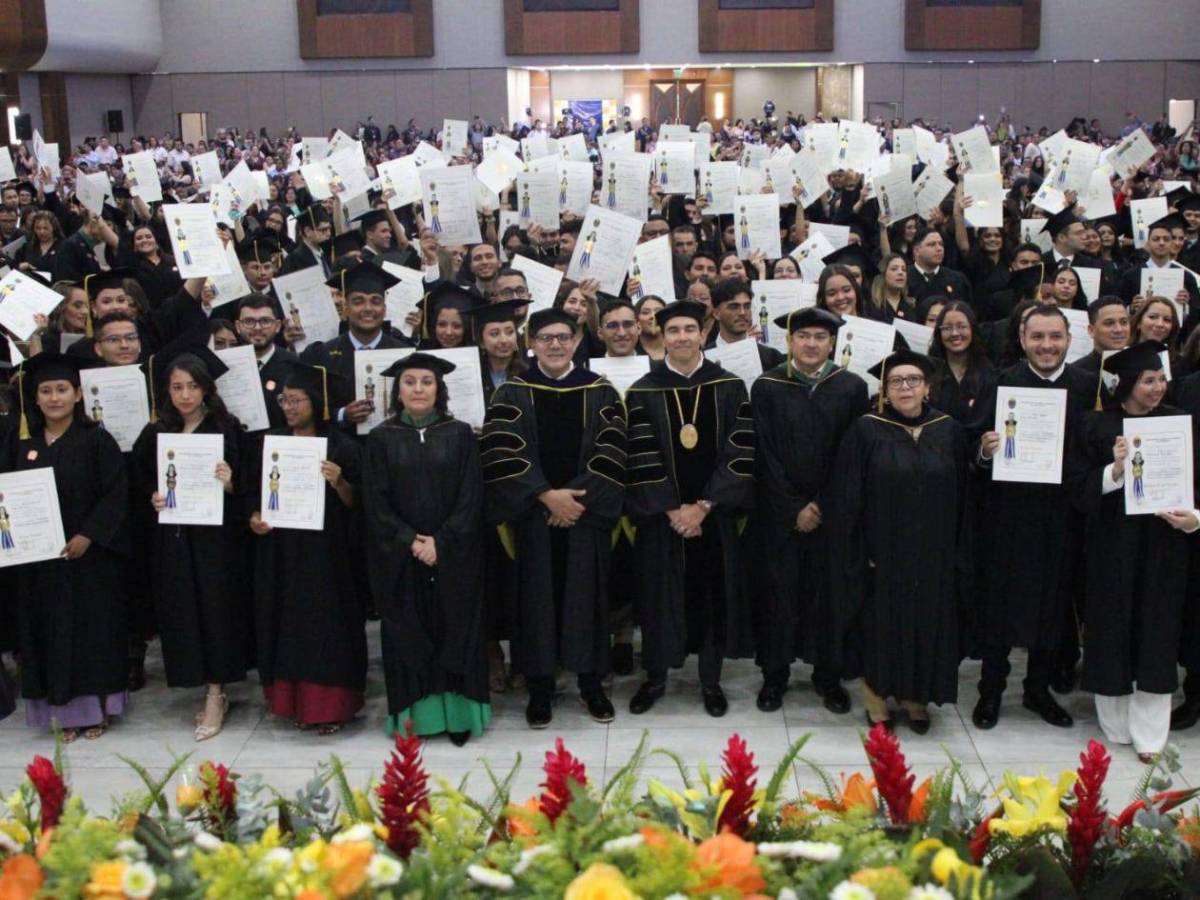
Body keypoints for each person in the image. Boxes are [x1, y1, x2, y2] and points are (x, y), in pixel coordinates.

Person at [481, 308, 626, 728]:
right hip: (533, 517)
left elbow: (612, 449)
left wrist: (572, 501)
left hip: (584, 514)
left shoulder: (600, 390)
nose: (556, 345)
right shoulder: (511, 393)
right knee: (536, 602)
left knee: (587, 599)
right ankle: (539, 688)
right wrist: (546, 495)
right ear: (532, 344)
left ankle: (591, 685)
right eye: (546, 338)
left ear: (577, 340)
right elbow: (503, 451)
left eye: (563, 337)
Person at [623, 300, 755, 717]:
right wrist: (671, 510)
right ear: (662, 337)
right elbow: (639, 456)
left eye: (688, 329)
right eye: (673, 330)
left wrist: (703, 506)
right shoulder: (642, 391)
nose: (681, 337)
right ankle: (656, 676)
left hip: (713, 517)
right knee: (659, 596)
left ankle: (710, 681)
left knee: (712, 595)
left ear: (703, 334)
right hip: (662, 520)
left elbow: (741, 450)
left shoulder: (730, 386)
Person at [1070, 341, 1200, 761]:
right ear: (1126, 383)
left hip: (1165, 544)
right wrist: (1115, 470)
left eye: (1161, 379)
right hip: (1113, 546)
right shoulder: (1097, 425)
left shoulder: (1178, 422)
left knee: (1156, 631)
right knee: (1113, 627)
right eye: (1148, 380)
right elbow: (1077, 488)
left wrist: (1195, 517)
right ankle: (1116, 723)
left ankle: (1150, 732)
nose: (1158, 387)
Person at [828, 349, 968, 732]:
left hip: (934, 553)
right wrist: (860, 550)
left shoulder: (948, 429)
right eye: (896, 381)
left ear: (927, 387)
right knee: (880, 626)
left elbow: (965, 493)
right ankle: (877, 703)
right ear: (884, 391)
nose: (905, 387)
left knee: (926, 623)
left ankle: (916, 698)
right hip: (883, 552)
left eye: (913, 380)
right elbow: (847, 498)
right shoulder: (866, 430)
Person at [971, 304, 1094, 731]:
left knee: (1053, 608)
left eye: (1055, 337)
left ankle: (1037, 691)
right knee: (999, 608)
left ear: (1068, 340)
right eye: (1037, 337)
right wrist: (985, 451)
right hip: (1010, 518)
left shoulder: (1087, 387)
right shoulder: (1002, 383)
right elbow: (974, 447)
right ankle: (991, 691)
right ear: (1022, 340)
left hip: (1064, 518)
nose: (1046, 345)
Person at [2, 353, 129, 741]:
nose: (54, 398)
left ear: (77, 394)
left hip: (87, 558)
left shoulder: (96, 440)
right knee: (47, 633)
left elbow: (115, 495)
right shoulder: (22, 443)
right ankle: (59, 714)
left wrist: (88, 535)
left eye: (61, 390)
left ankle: (96, 710)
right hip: (39, 560)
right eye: (45, 391)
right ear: (35, 399)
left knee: (91, 633)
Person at [363, 353, 489, 745]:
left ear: (440, 389)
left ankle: (460, 716)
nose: (418, 388)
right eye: (410, 382)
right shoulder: (381, 439)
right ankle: (415, 720)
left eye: (426, 382)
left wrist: (442, 541)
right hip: (401, 558)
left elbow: (471, 496)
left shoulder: (461, 434)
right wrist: (410, 541)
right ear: (397, 390)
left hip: (455, 555)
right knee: (409, 634)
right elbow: (374, 503)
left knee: (456, 628)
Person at [750, 307, 868, 714]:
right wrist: (792, 507)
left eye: (820, 336)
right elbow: (762, 453)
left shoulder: (851, 388)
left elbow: (851, 457)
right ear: (790, 341)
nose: (812, 344)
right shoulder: (766, 386)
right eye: (803, 336)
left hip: (831, 515)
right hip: (778, 514)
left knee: (828, 595)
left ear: (832, 342)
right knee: (777, 592)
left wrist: (821, 503)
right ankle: (774, 675)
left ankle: (827, 675)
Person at [132, 339, 246, 741]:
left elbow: (244, 489)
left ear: (205, 390)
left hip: (216, 541)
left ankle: (217, 692)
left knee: (216, 610)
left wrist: (230, 483)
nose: (184, 395)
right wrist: (153, 496)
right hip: (175, 540)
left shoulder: (226, 428)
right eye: (177, 387)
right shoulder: (157, 431)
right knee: (185, 611)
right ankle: (200, 682)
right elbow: (139, 482)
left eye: (192, 387)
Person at [248, 361, 364, 734]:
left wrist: (339, 481)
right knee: (285, 624)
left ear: (316, 401)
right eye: (284, 400)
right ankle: (290, 702)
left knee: (326, 627)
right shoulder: (270, 444)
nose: (290, 407)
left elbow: (358, 504)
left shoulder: (341, 446)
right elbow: (253, 497)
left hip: (327, 556)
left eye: (296, 400)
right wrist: (253, 518)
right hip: (280, 553)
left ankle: (329, 707)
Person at [300, 262, 414, 425]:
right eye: (358, 301)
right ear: (346, 308)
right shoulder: (322, 355)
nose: (368, 308)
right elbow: (311, 409)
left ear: (384, 309)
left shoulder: (405, 355)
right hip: (342, 446)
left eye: (375, 301)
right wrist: (342, 414)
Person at [928, 300, 996, 425]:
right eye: (947, 328)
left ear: (972, 329)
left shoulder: (988, 372)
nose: (954, 333)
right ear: (939, 333)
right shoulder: (928, 371)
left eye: (961, 326)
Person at [235, 294, 297, 431]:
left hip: (278, 445)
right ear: (238, 326)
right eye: (249, 321)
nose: (257, 327)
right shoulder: (226, 365)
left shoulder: (295, 366)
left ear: (278, 325)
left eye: (265, 321)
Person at [707, 279, 785, 369]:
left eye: (747, 306)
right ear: (716, 313)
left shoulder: (772, 357)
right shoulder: (702, 359)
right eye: (734, 307)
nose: (742, 312)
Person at [907, 227, 972, 306]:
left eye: (941, 244)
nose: (939, 248)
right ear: (916, 251)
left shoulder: (957, 280)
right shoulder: (904, 278)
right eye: (932, 245)